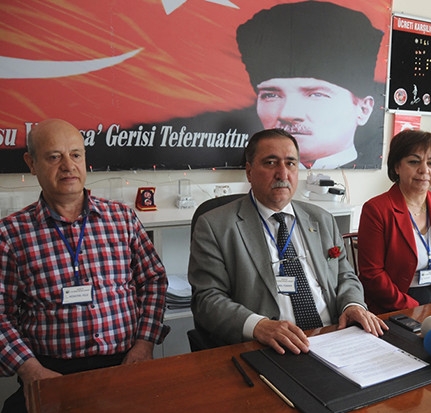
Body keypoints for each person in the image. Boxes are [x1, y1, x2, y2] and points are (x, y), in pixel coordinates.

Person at [0, 119, 169, 413]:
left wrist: (145, 344)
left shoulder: (122, 218)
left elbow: (153, 280)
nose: (68, 166)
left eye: (75, 155)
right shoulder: (10, 234)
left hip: (125, 361)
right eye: (54, 157)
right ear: (31, 163)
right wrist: (31, 370)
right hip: (51, 370)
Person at [188, 128, 386, 355]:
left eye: (290, 163)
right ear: (249, 172)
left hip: (333, 336)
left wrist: (352, 305)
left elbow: (345, 276)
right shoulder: (215, 225)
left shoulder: (322, 219)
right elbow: (207, 299)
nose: (282, 174)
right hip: (269, 346)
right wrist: (258, 326)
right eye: (270, 163)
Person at [234, 1, 384, 169]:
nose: (287, 114)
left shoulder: (370, 179)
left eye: (316, 94)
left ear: (363, 110)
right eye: (271, 95)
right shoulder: (257, 176)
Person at [357, 130, 431, 314]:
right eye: (414, 162)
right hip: (392, 305)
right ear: (396, 167)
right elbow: (372, 274)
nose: (424, 170)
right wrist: (413, 309)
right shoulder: (376, 209)